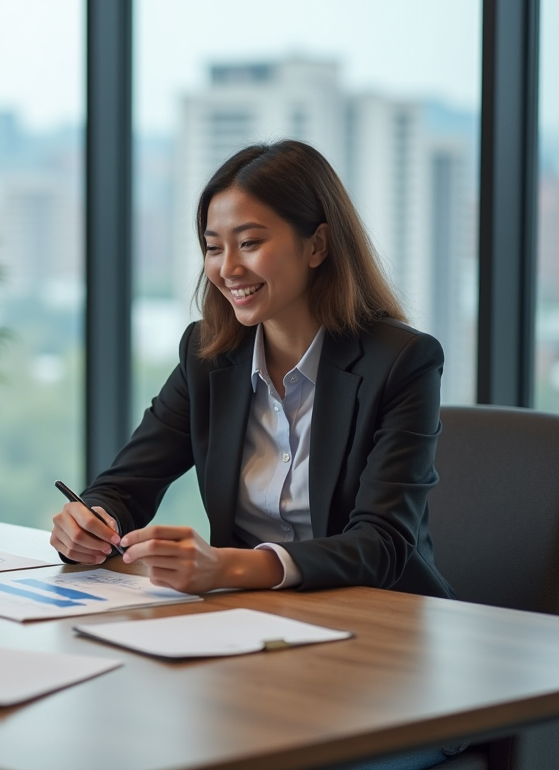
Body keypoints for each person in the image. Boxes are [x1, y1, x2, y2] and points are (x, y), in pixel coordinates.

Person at [50, 140, 458, 769]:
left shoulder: (401, 362)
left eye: (250, 241)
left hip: (383, 652)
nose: (227, 267)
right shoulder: (209, 356)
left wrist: (233, 568)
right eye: (213, 247)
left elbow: (382, 543)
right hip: (251, 640)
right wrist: (91, 518)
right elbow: (126, 485)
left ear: (317, 245)